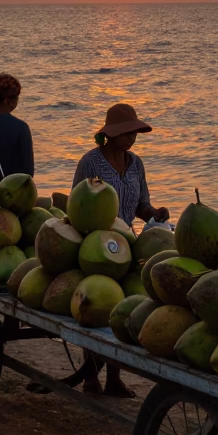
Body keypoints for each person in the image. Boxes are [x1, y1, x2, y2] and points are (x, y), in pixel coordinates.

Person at [72, 103, 169, 398]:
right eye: (126, 133)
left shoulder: (136, 164)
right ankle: (91, 377)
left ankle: (114, 377)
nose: (131, 138)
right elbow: (76, 204)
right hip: (95, 244)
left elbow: (141, 205)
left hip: (126, 244)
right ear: (111, 134)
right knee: (95, 308)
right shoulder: (90, 162)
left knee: (121, 309)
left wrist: (155, 213)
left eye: (134, 133)